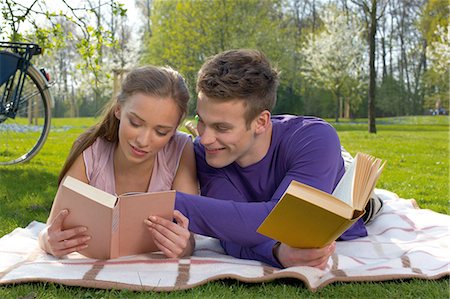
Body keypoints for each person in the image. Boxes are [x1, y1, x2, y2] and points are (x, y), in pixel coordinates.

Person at [173, 49, 369, 269]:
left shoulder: (314, 138)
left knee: (362, 197)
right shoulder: (207, 152)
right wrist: (275, 251)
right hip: (273, 190)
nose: (205, 138)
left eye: (221, 127)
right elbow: (229, 232)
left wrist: (162, 203)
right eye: (201, 121)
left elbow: (287, 221)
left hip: (331, 185)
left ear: (260, 122)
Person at [39, 65, 198, 259]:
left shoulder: (181, 149)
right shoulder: (91, 150)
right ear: (118, 109)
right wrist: (49, 241)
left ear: (174, 130)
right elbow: (50, 227)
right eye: (135, 123)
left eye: (161, 132)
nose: (143, 140)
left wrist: (185, 246)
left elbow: (190, 233)